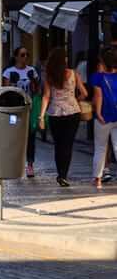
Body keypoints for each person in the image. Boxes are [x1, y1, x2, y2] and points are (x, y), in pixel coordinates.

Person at [39, 46, 87, 188]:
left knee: (58, 145)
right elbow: (84, 93)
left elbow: (46, 96)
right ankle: (63, 175)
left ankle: (60, 173)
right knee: (68, 145)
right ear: (63, 60)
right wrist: (75, 99)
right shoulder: (73, 74)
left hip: (55, 113)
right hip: (73, 112)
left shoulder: (50, 76)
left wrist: (41, 116)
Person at [3, 46, 40, 178]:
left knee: (30, 137)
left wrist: (34, 82)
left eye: (27, 55)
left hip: (29, 108)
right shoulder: (9, 72)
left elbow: (36, 91)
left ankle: (30, 164)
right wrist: (12, 84)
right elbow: (6, 91)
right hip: (15, 109)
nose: (25, 58)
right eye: (22, 55)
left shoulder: (32, 71)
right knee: (15, 136)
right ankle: (15, 163)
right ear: (16, 56)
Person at [89, 46, 117, 189]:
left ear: (102, 61)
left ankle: (97, 179)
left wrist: (98, 113)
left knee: (100, 148)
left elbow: (98, 96)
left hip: (104, 116)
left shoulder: (97, 77)